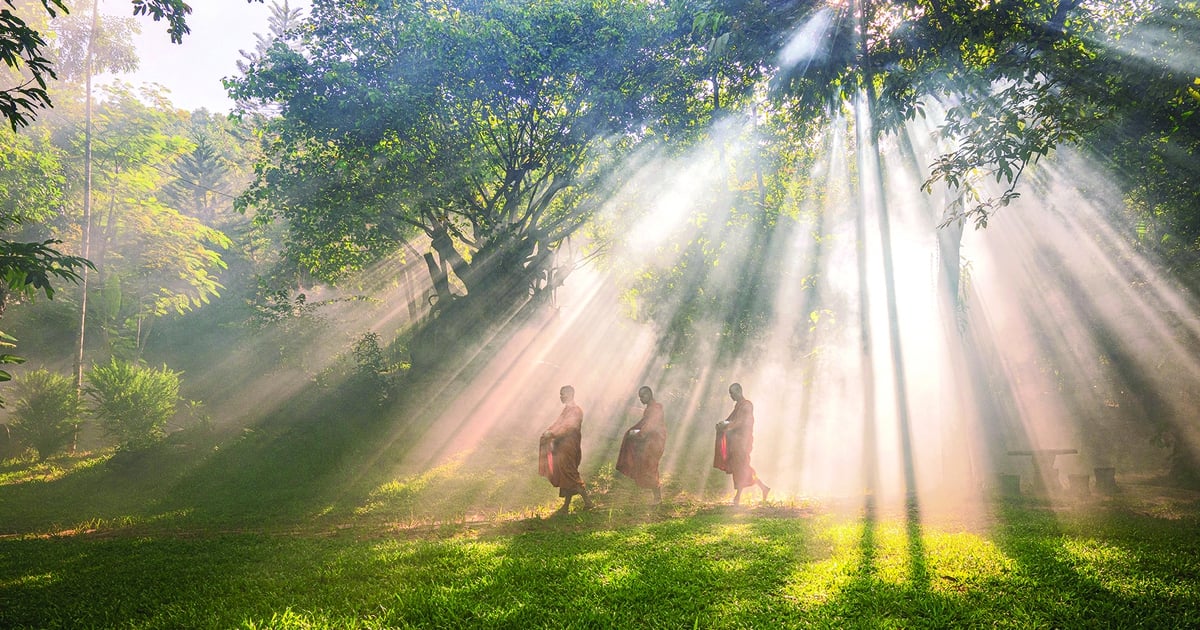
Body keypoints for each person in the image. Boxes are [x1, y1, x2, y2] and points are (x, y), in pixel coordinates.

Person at [539, 385, 593, 515]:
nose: (561, 397)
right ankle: (565, 507)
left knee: (570, 474)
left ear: (570, 394)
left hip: (569, 446)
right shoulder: (566, 410)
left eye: (562, 394)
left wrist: (552, 434)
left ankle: (588, 502)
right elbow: (558, 424)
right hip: (561, 445)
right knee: (565, 475)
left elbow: (568, 427)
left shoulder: (576, 411)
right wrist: (548, 431)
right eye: (560, 394)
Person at [713, 382, 770, 505]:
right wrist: (722, 424)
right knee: (741, 468)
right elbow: (731, 420)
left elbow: (742, 421)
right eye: (730, 394)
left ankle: (738, 497)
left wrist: (727, 425)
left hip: (743, 441)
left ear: (739, 391)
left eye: (732, 393)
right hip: (736, 442)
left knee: (741, 468)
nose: (731, 396)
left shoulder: (747, 405)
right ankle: (763, 488)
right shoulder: (738, 406)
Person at [616, 386, 667, 503]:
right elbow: (646, 423)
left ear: (649, 394)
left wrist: (638, 433)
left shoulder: (656, 407)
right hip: (649, 440)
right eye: (639, 397)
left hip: (655, 441)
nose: (641, 399)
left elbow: (651, 425)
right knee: (647, 466)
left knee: (651, 466)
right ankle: (656, 497)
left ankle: (657, 498)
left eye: (643, 396)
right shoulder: (650, 408)